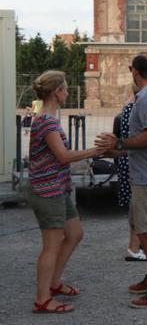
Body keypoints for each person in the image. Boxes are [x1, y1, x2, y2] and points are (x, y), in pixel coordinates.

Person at [96, 52, 147, 309]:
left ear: (135, 72)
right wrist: (117, 150)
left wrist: (119, 142)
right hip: (146, 172)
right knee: (142, 228)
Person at [27, 71, 104, 314]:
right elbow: (63, 156)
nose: (68, 93)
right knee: (51, 245)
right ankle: (42, 298)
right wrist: (95, 151)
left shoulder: (47, 118)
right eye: (66, 88)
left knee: (75, 233)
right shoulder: (47, 121)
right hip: (47, 190)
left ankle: (54, 283)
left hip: (56, 187)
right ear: (56, 92)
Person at [112, 85, 147, 262]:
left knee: (136, 207)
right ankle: (134, 247)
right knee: (139, 207)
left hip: (127, 161)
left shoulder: (127, 108)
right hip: (135, 162)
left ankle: (138, 244)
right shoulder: (138, 109)